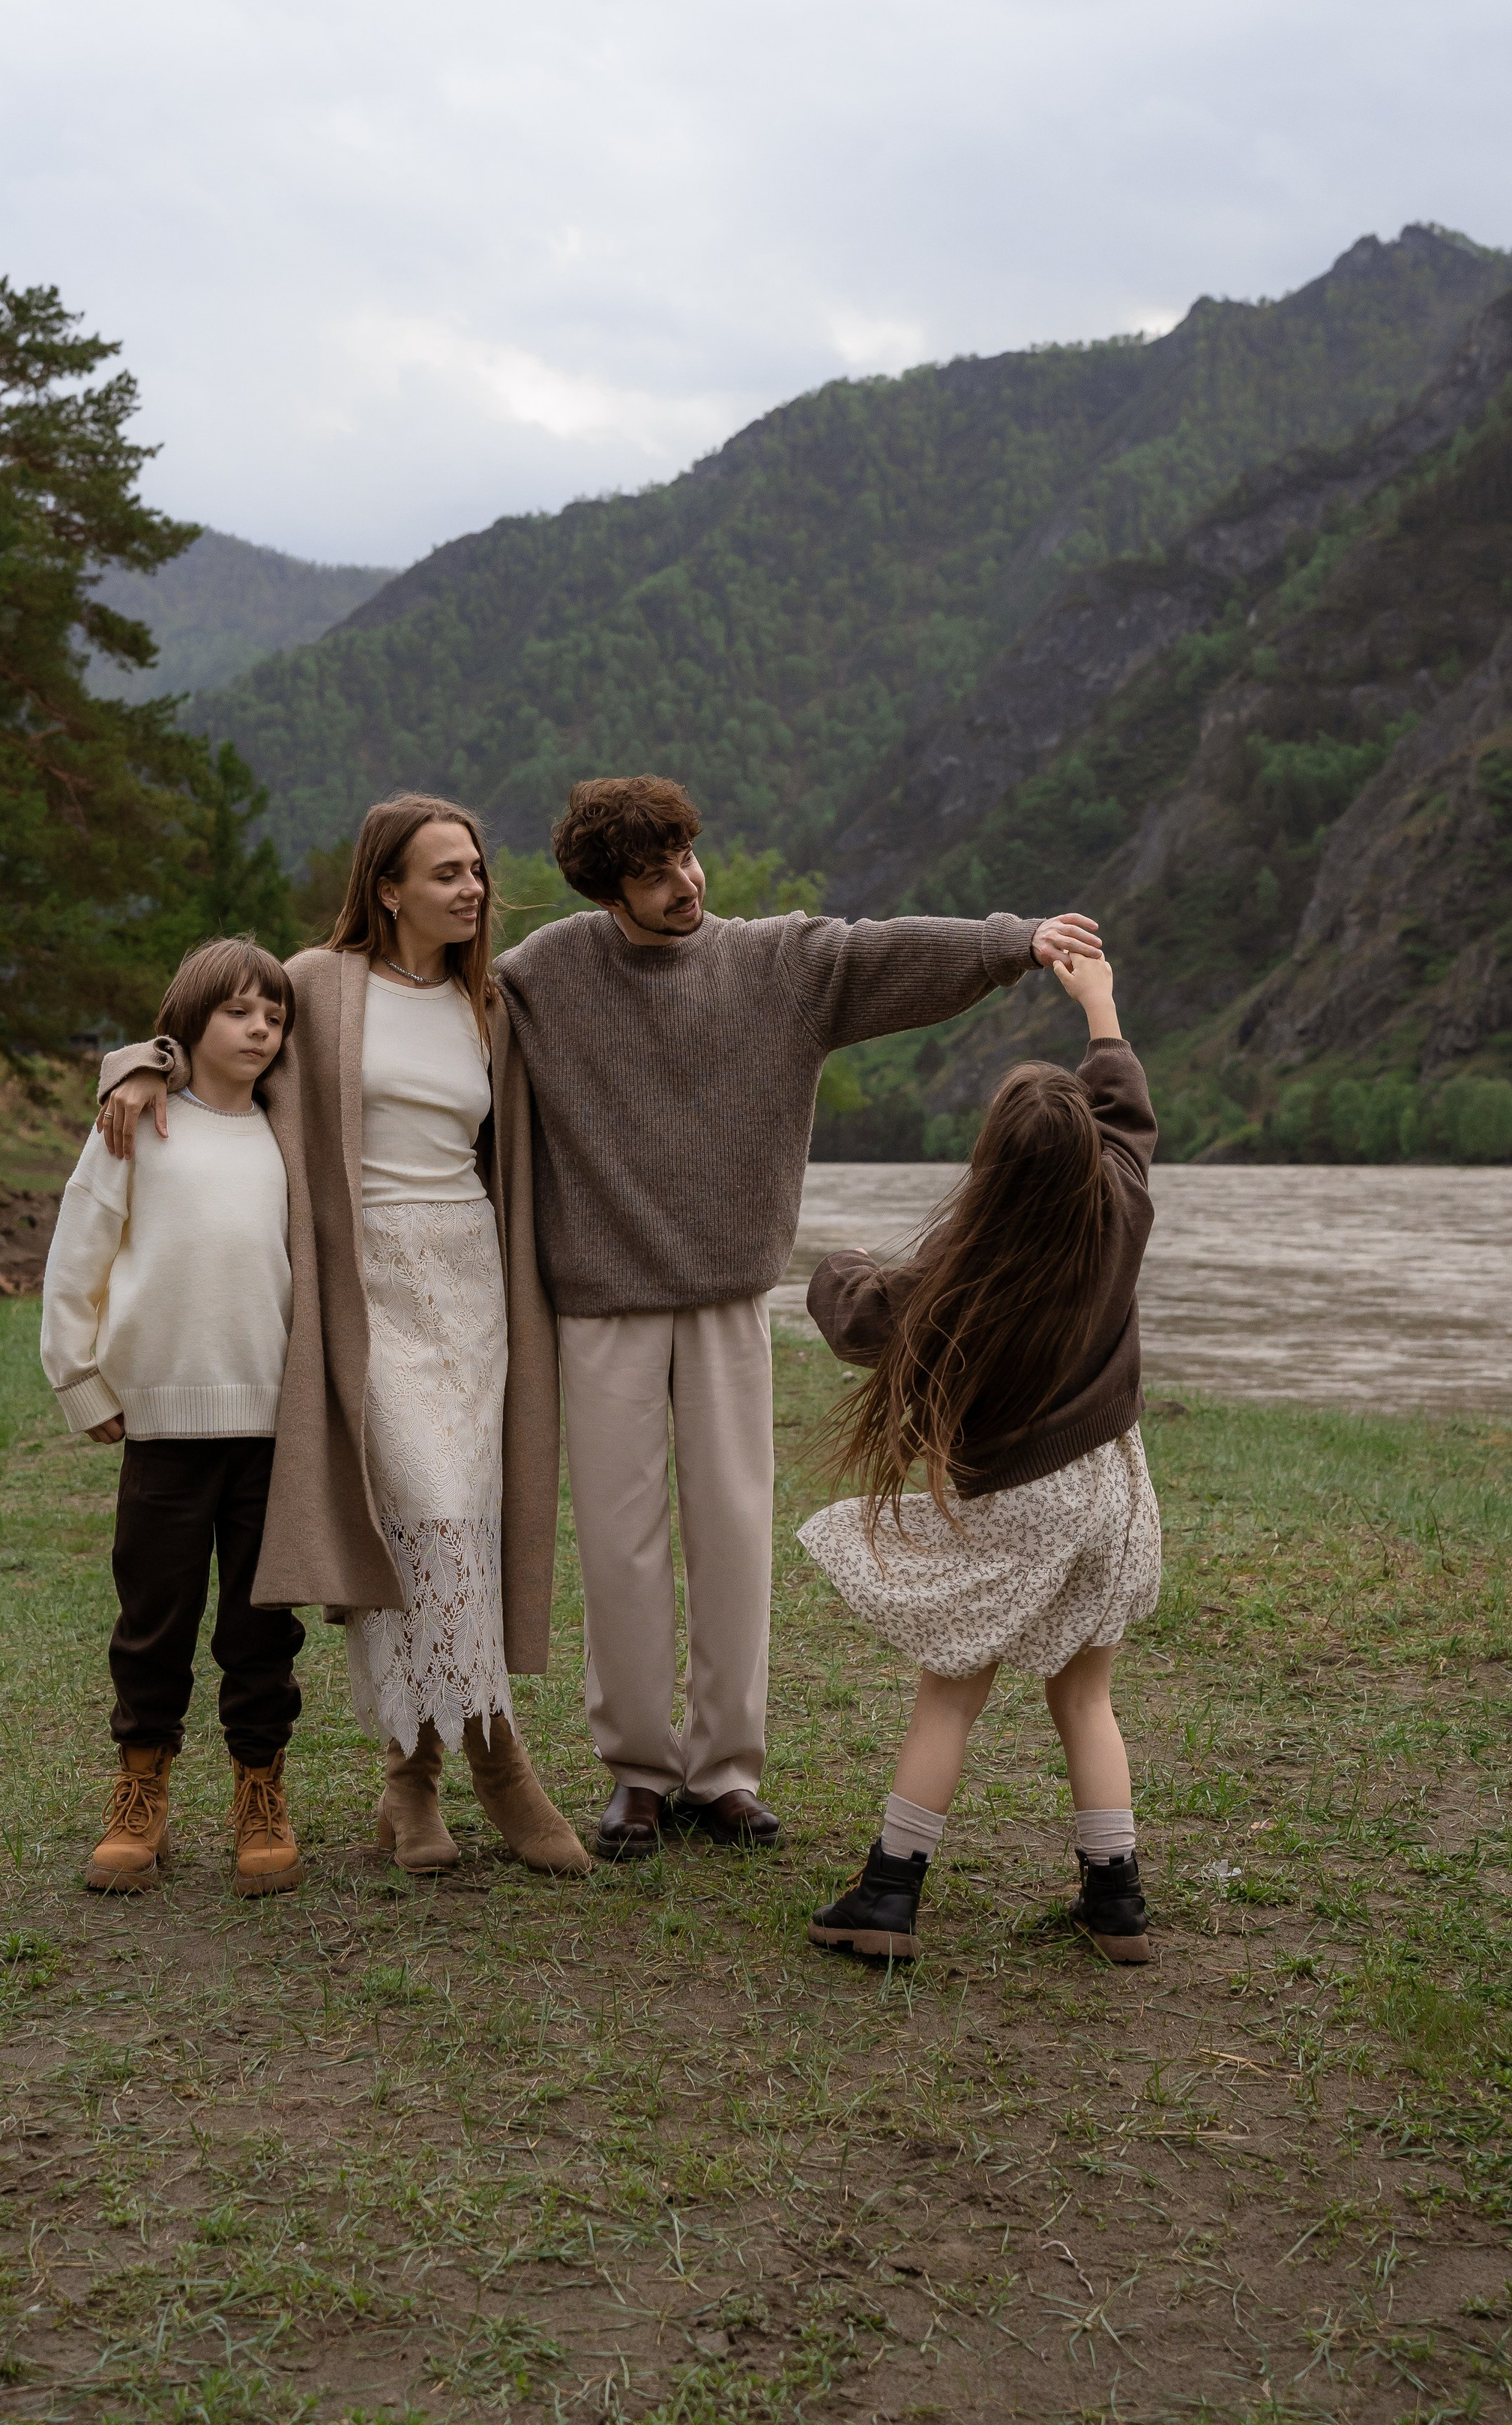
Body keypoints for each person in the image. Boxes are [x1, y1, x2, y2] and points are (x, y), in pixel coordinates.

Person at [493, 772, 1105, 1863]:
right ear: (606, 894)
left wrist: (1015, 941)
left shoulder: (778, 962)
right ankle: (638, 1773)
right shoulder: (543, 973)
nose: (686, 884)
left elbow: (889, 955)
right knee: (620, 1549)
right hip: (600, 1301)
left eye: (687, 857)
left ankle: (724, 1771)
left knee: (733, 1532)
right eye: (655, 876)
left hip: (730, 1295)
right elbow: (415, 1014)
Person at [94, 797, 588, 1879]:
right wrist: (135, 1065)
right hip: (365, 1288)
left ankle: (412, 1780)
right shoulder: (319, 984)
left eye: (476, 870)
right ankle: (497, 1764)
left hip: (470, 1282)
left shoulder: (488, 1003)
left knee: (463, 1525)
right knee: (423, 1519)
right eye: (446, 873)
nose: (472, 889)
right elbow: (217, 1026)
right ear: (387, 889)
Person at [795, 945, 1159, 1964]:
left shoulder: (960, 1271)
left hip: (1019, 1501)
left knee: (951, 1696)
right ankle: (1116, 1903)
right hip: (1115, 1491)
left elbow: (858, 1318)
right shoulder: (1124, 1203)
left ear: (990, 1167)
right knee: (1085, 1697)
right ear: (1089, 1150)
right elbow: (1127, 1110)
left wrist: (838, 1262)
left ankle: (888, 1896)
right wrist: (1099, 1004)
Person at [42, 936, 307, 1900]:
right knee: (154, 1617)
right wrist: (80, 1381)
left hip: (273, 1423)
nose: (259, 1029)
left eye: (273, 1015)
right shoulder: (137, 1122)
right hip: (162, 1423)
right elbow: (78, 1255)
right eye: (237, 1011)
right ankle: (140, 1791)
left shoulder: (289, 1132)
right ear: (189, 1022)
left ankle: (259, 1790)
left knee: (261, 1628)